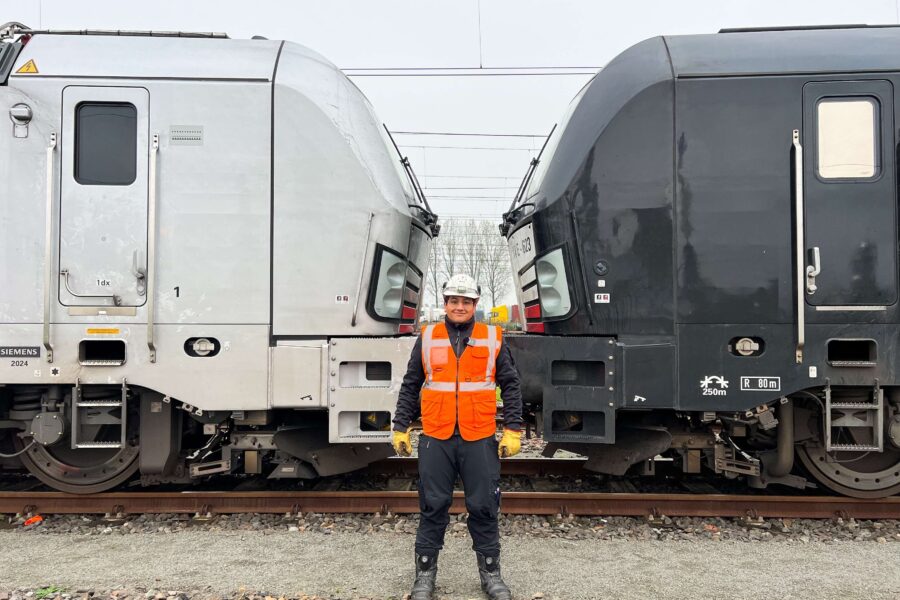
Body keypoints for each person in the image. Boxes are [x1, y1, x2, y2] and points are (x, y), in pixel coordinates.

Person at [392, 273, 524, 600]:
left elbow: (511, 385)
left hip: (478, 436)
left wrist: (512, 428)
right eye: (454, 301)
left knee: (483, 505)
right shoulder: (428, 336)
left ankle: (491, 576)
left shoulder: (493, 337)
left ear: (475, 304)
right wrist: (400, 425)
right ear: (446, 303)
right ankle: (424, 577)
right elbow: (411, 384)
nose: (460, 307)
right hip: (437, 435)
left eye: (466, 301)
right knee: (433, 504)